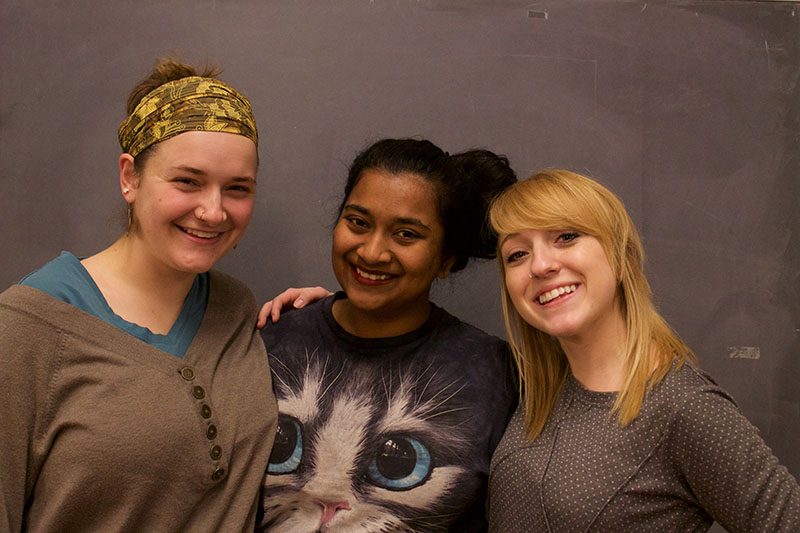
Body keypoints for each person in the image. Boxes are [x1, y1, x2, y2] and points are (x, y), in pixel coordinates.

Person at [0, 58, 278, 531]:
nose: (213, 212)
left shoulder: (236, 309)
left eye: (237, 188)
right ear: (130, 177)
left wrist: (330, 317)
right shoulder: (28, 325)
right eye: (187, 181)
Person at [487, 169, 800, 532]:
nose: (540, 266)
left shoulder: (685, 407)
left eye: (566, 237)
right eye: (517, 254)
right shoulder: (540, 392)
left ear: (621, 256)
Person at [256, 138, 518, 532]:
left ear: (447, 259)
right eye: (358, 222)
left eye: (406, 234)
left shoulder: (494, 376)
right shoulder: (271, 340)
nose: (372, 252)